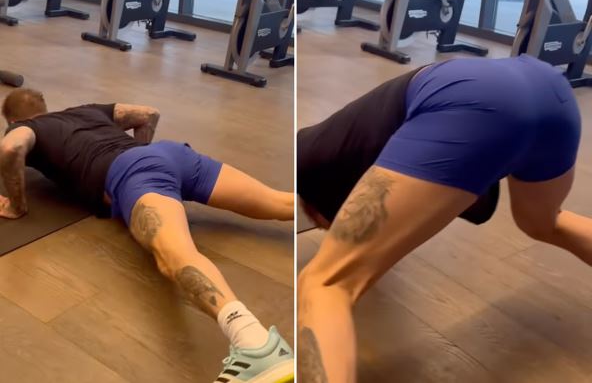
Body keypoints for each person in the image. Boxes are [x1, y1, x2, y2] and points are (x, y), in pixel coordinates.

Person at [296, 55, 589, 382]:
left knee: (326, 283)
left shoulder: (305, 155)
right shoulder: (339, 140)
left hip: (472, 103)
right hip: (550, 90)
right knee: (544, 223)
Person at [0, 88, 294, 383]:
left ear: (11, 120)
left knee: (176, 258)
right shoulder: (87, 110)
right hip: (173, 155)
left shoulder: (24, 128)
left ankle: (256, 346)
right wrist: (144, 158)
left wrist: (17, 206)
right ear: (45, 107)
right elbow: (147, 114)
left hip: (134, 172)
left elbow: (11, 149)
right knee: (280, 203)